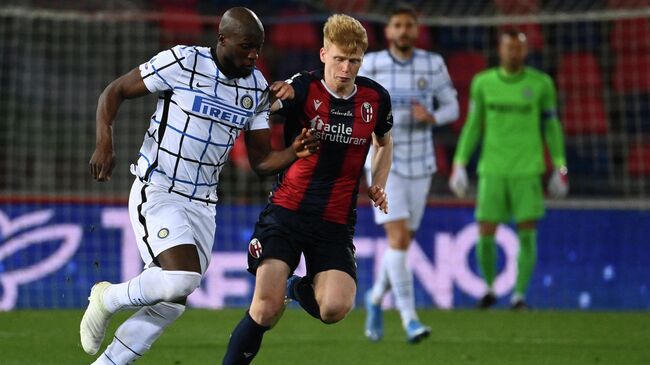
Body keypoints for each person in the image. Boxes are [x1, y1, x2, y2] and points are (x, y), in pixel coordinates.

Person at [80, 7, 318, 365]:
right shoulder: (182, 62)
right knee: (182, 278)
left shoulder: (255, 87)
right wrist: (104, 141)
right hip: (158, 188)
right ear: (222, 39)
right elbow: (114, 92)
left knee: (171, 304)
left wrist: (293, 152)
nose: (254, 55)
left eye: (259, 48)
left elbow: (260, 163)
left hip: (204, 203)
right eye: (247, 46)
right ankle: (107, 298)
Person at [221, 14, 393, 365]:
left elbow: (384, 142)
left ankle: (295, 287)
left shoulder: (375, 98)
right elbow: (267, 107)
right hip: (287, 213)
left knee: (334, 308)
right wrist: (273, 98)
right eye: (340, 59)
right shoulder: (303, 88)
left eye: (354, 61)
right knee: (265, 309)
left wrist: (378, 182)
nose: (346, 68)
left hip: (334, 223)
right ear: (323, 53)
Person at [449, 29, 568, 310]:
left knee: (527, 232)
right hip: (492, 169)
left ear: (525, 51)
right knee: (485, 232)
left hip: (528, 170)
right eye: (509, 48)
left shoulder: (541, 84)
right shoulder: (483, 83)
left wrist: (560, 166)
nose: (514, 53)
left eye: (518, 48)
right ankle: (490, 288)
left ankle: (519, 296)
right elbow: (473, 124)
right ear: (500, 50)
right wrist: (459, 163)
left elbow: (552, 127)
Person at [360, 4, 458, 343]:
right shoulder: (371, 64)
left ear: (416, 31)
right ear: (387, 32)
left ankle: (374, 299)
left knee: (401, 245)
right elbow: (354, 104)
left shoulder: (432, 64)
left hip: (421, 165)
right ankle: (410, 320)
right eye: (397, 25)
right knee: (398, 240)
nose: (403, 31)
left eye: (409, 26)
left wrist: (431, 116)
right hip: (384, 164)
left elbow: (453, 107)